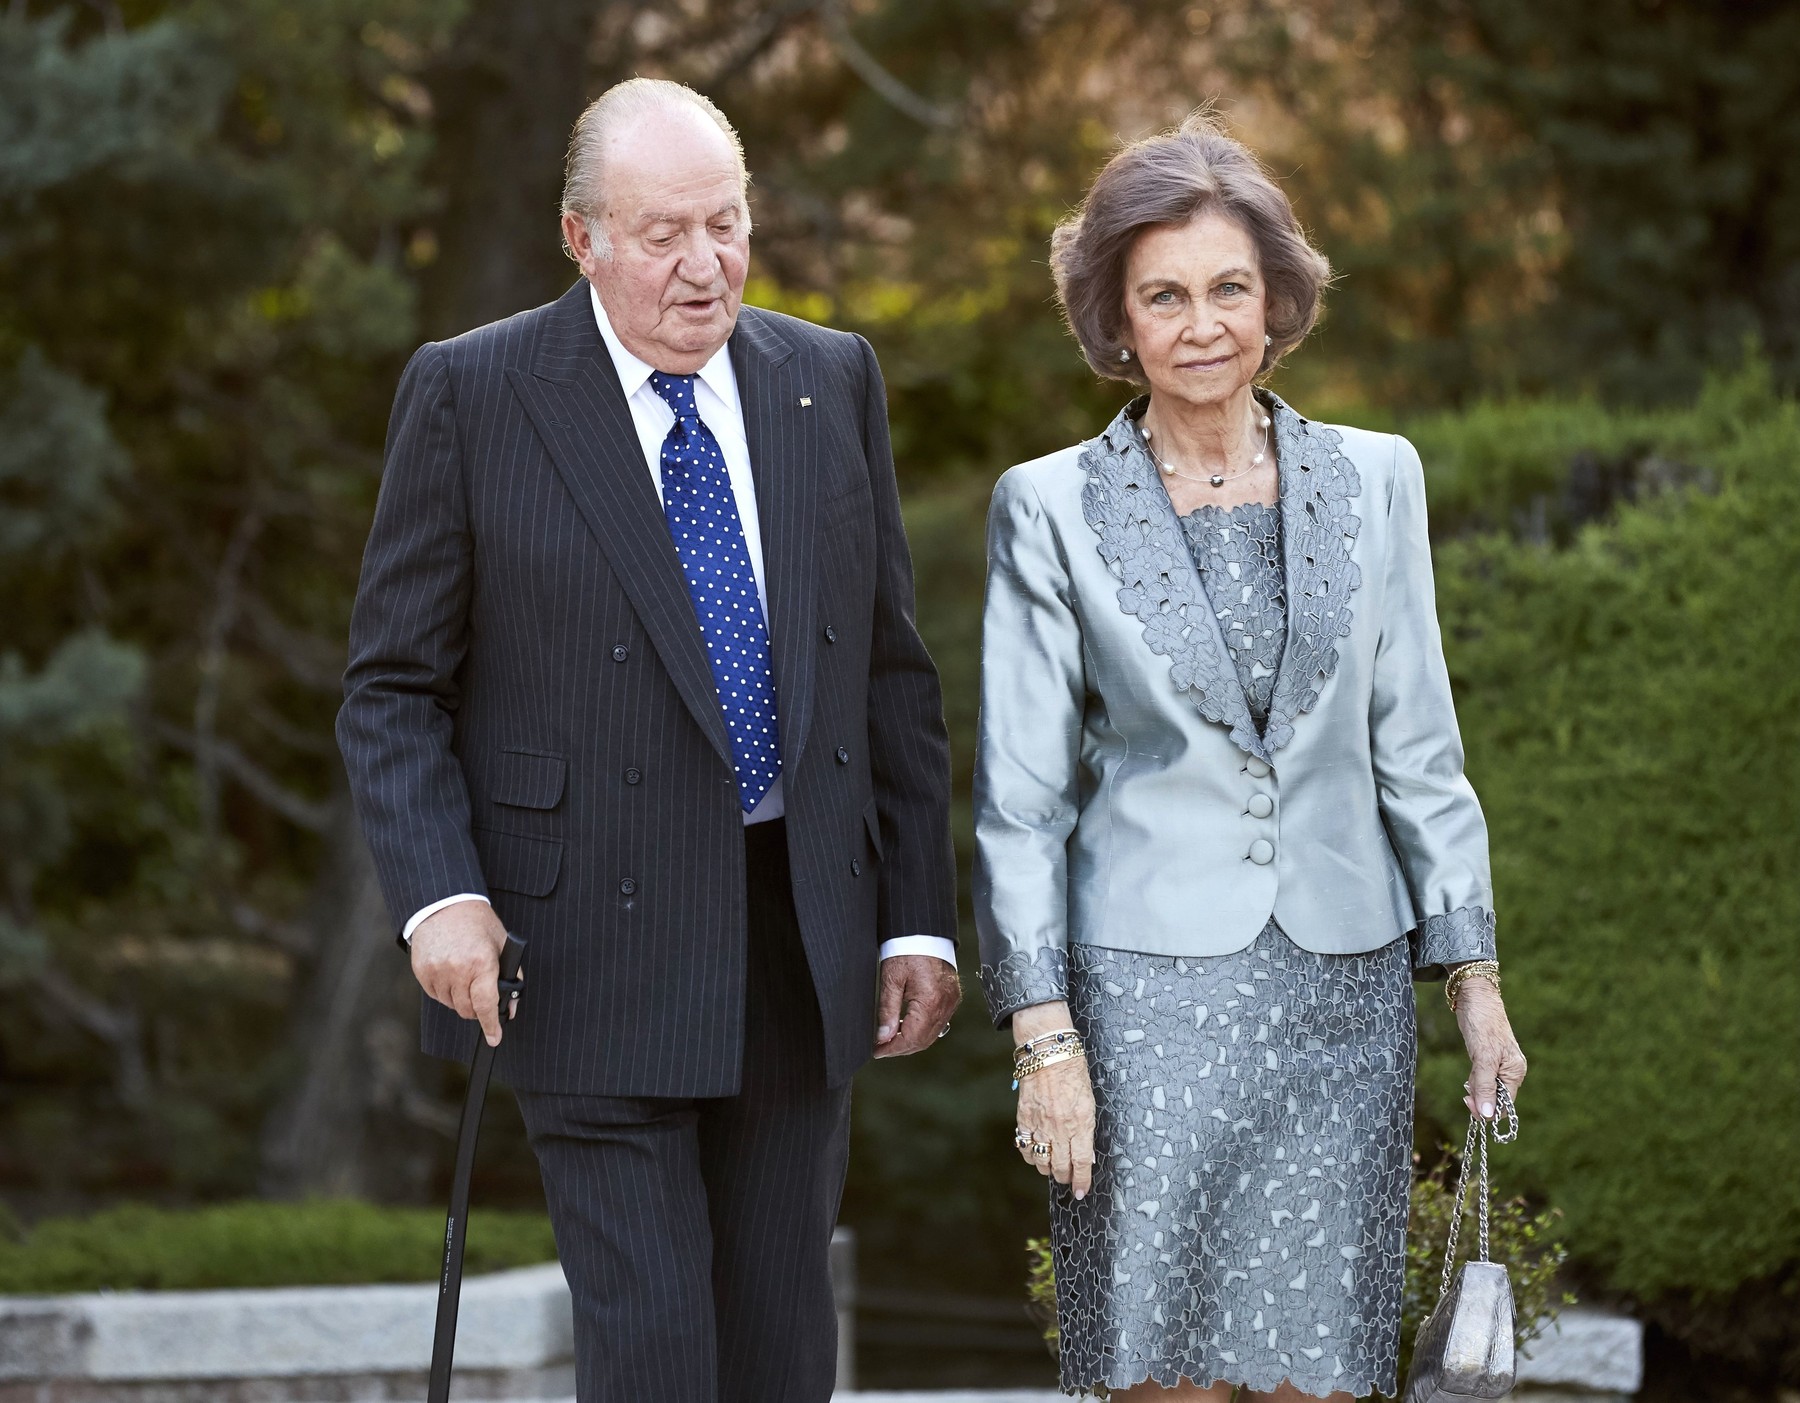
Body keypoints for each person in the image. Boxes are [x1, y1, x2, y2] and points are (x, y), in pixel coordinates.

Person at [338, 79, 960, 1402]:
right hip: (580, 953)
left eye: (725, 225)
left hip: (798, 934)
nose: (705, 265)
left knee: (783, 1352)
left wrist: (916, 918)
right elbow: (392, 688)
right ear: (583, 240)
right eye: (664, 234)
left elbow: (888, 675)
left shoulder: (829, 378)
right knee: (655, 1353)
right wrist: (441, 897)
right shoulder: (473, 392)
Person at [973, 111, 1528, 1402]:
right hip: (1141, 1012)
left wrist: (1473, 978)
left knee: (1321, 1376)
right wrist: (1046, 1042)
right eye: (1163, 296)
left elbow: (1419, 751)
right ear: (1116, 321)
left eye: (1229, 288)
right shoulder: (1046, 505)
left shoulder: (1379, 478)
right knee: (1164, 1376)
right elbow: (1019, 804)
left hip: (1343, 1002)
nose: (1203, 324)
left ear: (1277, 298)